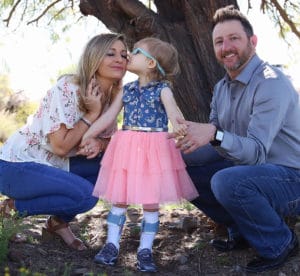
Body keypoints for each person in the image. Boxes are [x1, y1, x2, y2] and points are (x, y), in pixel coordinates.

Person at [172, 5, 300, 273]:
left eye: (234, 38)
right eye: (219, 41)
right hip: (253, 172)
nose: (226, 47)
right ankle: (242, 230)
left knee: (226, 180)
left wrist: (213, 134)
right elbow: (219, 145)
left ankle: (280, 242)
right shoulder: (221, 88)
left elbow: (254, 153)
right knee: (175, 163)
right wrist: (177, 147)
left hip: (291, 177)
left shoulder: (271, 83)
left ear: (252, 42)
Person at [79, 37, 199, 272]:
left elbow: (174, 112)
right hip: (127, 146)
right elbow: (109, 117)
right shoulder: (127, 89)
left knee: (151, 202)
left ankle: (145, 250)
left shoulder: (163, 90)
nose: (128, 55)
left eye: (135, 52)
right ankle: (112, 245)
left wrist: (179, 125)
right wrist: (89, 134)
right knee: (119, 197)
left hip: (155, 148)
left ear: (151, 64)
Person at [0, 33, 128, 251]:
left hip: (56, 166)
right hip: (17, 166)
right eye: (111, 53)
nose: (120, 59)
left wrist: (99, 144)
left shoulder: (114, 97)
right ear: (94, 57)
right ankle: (10, 209)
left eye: (124, 55)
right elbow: (60, 146)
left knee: (114, 167)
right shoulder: (68, 87)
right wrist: (91, 114)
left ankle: (57, 224)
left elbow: (110, 144)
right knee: (86, 196)